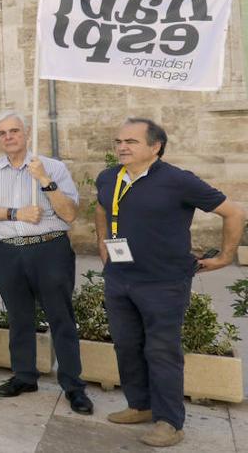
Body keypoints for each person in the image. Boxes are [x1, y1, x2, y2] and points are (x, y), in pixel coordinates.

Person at [94, 118, 245, 448]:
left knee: (162, 353)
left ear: (155, 146)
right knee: (127, 346)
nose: (122, 146)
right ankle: (140, 405)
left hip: (164, 284)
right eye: (119, 140)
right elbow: (102, 209)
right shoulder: (108, 177)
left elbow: (234, 213)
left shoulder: (178, 180)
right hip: (119, 279)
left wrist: (224, 257)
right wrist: (102, 244)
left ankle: (169, 422)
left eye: (131, 141)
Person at [0, 111, 92, 415]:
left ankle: (73, 385)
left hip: (48, 249)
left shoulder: (52, 167)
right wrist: (15, 213)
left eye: (14, 131)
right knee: (19, 316)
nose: (9, 137)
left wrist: (44, 181)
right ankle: (25, 376)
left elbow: (70, 214)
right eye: (2, 133)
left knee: (60, 317)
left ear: (27, 133)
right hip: (5, 251)